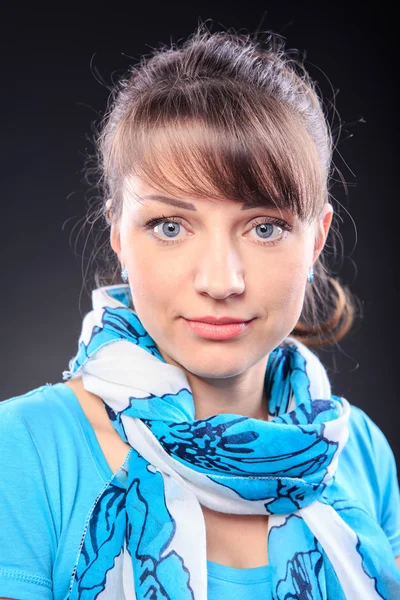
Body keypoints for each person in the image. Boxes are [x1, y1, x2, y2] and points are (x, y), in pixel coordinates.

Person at [0, 24, 399, 600]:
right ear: (118, 233)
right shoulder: (24, 454)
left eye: (265, 227)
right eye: (170, 226)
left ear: (316, 240)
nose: (220, 281)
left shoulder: (359, 451)